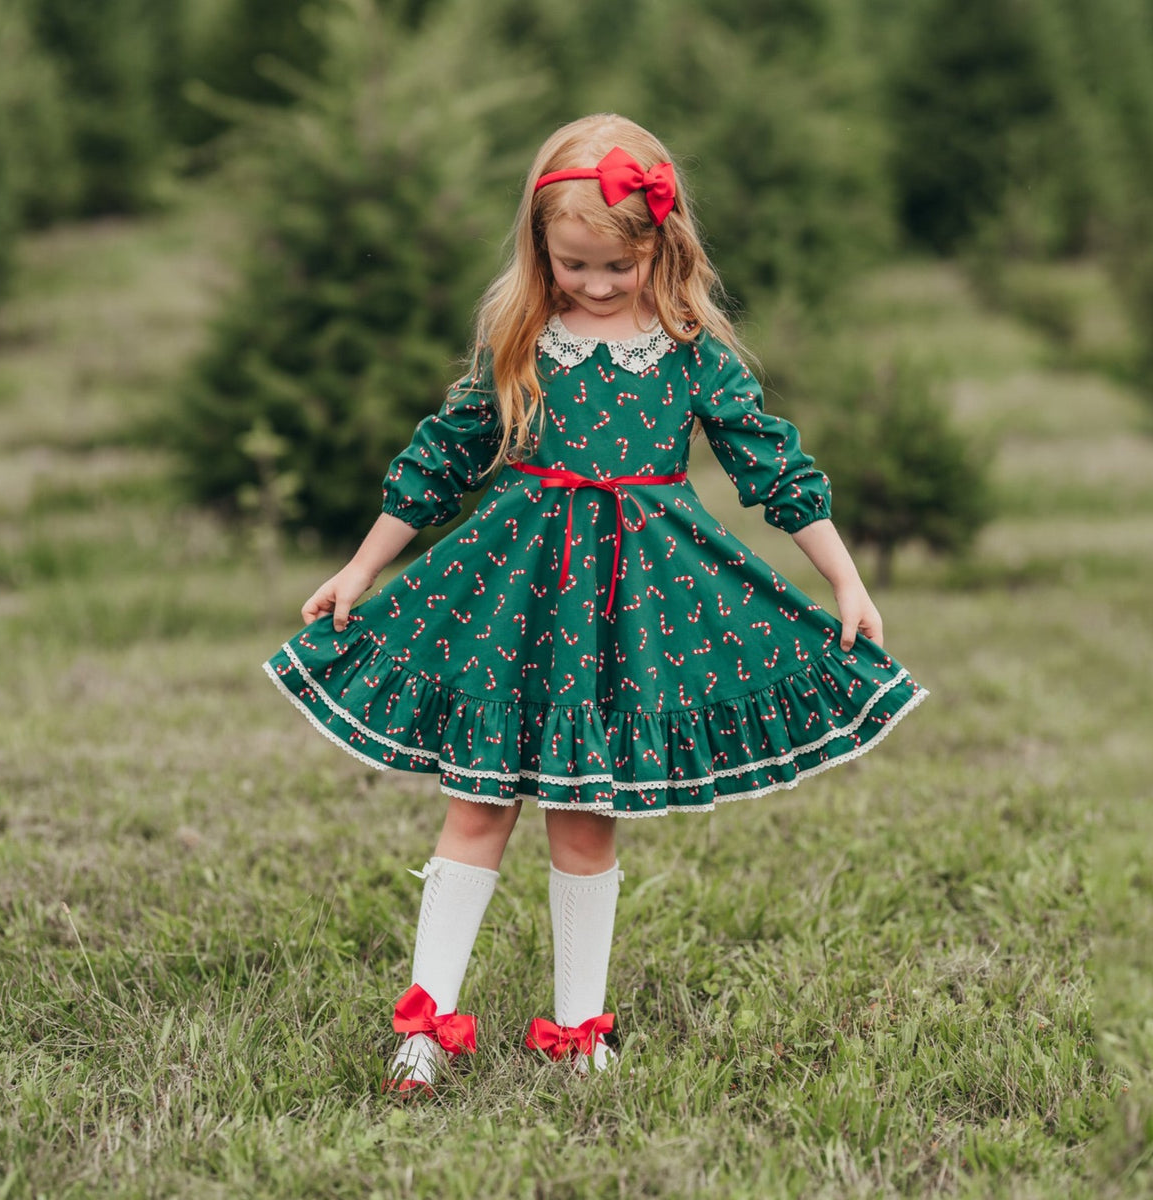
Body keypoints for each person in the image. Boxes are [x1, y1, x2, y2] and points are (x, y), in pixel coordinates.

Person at [263, 113, 928, 1095]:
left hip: (630, 611)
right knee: (478, 799)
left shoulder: (689, 347)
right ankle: (426, 1025)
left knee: (583, 815)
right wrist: (363, 568)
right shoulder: (521, 338)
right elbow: (442, 457)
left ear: (664, 244)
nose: (601, 284)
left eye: (621, 265)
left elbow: (768, 462)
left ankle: (579, 1034)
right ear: (542, 249)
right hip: (515, 599)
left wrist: (844, 577)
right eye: (577, 265)